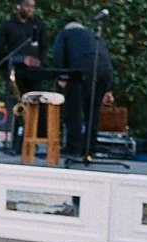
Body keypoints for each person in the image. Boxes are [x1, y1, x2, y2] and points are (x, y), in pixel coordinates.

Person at [49, 19, 116, 158]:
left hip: (82, 69)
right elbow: (106, 58)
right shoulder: (95, 36)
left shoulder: (65, 34)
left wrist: (61, 76)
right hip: (105, 71)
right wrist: (109, 88)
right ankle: (89, 148)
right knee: (93, 111)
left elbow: (58, 53)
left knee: (74, 109)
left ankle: (73, 147)